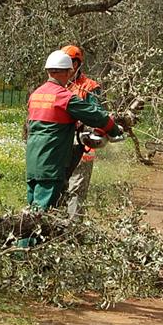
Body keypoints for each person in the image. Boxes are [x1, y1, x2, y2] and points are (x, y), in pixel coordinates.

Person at [26, 50, 124, 216]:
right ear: (66, 72)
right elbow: (97, 116)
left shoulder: (36, 95)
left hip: (33, 162)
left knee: (31, 212)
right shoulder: (65, 97)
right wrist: (114, 130)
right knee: (40, 217)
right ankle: (27, 242)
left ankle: (25, 240)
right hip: (52, 162)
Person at [61, 44, 105, 218]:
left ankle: (73, 231)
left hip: (81, 145)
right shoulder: (56, 85)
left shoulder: (90, 87)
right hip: (58, 145)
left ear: (78, 64)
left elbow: (98, 116)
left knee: (76, 191)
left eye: (71, 63)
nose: (68, 68)